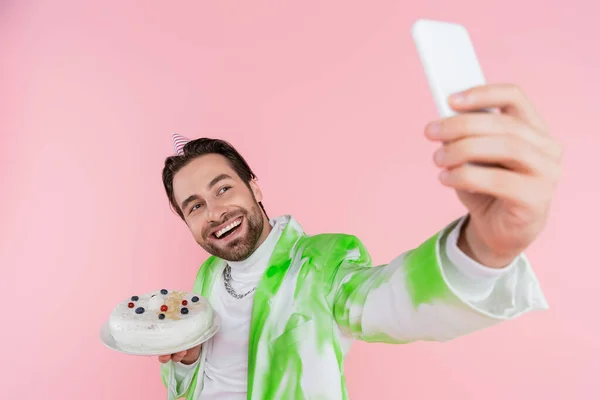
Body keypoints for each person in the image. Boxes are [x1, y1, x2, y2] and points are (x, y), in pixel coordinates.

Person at [157, 83, 562, 400]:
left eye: (223, 189)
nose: (213, 212)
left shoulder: (324, 261)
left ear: (254, 187)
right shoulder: (209, 274)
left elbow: (388, 301)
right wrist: (188, 362)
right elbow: (201, 378)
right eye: (194, 207)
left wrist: (486, 248)